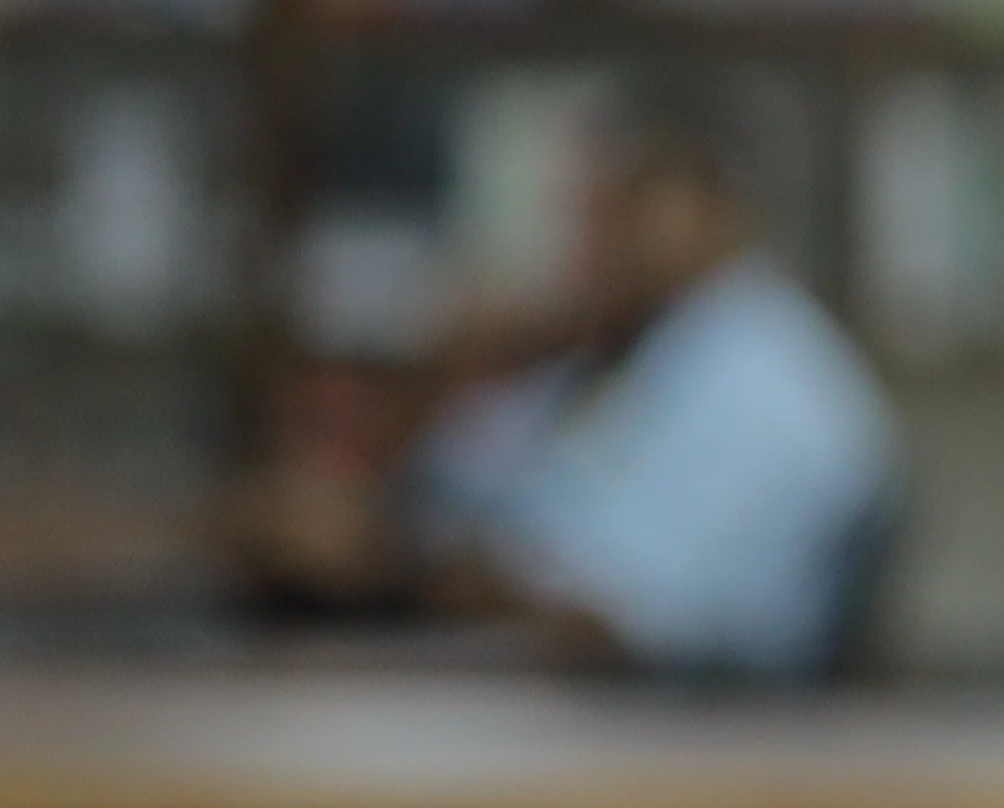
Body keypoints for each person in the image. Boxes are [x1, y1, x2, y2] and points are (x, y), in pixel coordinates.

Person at [262, 79, 900, 678]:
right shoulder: (618, 352)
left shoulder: (767, 384)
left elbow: (607, 618)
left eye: (625, 201)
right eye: (582, 205)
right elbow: (458, 500)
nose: (589, 236)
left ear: (721, 205)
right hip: (539, 713)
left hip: (673, 747)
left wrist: (394, 563)